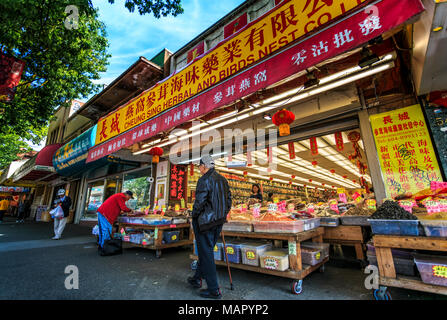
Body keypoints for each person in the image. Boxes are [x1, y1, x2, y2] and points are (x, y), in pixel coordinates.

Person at [188, 155, 232, 299]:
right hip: (218, 221)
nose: (199, 169)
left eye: (199, 167)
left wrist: (193, 215)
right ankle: (196, 278)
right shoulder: (223, 180)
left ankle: (214, 290)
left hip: (205, 223)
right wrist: (222, 214)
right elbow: (229, 200)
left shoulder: (204, 179)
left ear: (203, 166)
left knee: (206, 254)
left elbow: (199, 202)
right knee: (205, 252)